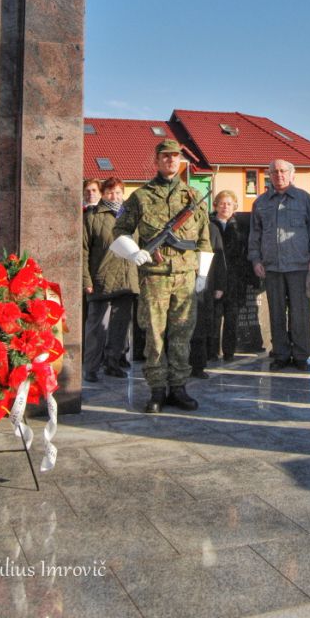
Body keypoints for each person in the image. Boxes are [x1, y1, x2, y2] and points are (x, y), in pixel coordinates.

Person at [111, 139, 211, 413]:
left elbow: (204, 240)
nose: (171, 160)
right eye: (165, 156)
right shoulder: (140, 197)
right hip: (154, 277)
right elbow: (119, 230)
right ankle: (156, 389)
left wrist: (202, 274)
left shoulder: (193, 197)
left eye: (175, 156)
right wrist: (134, 252)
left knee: (182, 334)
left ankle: (178, 387)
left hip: (185, 276)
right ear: (156, 161)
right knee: (155, 335)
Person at [248, 159, 310, 372]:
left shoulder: (305, 199)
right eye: (274, 172)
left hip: (299, 265)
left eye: (282, 171)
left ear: (291, 174)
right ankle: (280, 354)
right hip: (272, 266)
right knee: (277, 313)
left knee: (301, 313)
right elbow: (255, 234)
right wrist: (256, 259)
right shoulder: (261, 202)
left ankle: (301, 355)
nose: (279, 175)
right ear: (269, 175)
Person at [82, 177, 138, 381]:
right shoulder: (93, 216)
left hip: (127, 279)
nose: (114, 196)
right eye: (110, 192)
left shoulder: (131, 216)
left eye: (118, 192)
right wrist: (86, 280)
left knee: (119, 328)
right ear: (103, 194)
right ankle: (91, 367)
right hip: (101, 279)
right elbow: (83, 250)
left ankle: (113, 363)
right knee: (96, 328)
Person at [210, 190, 248, 362]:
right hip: (214, 277)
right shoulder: (209, 225)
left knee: (232, 317)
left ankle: (229, 352)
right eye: (222, 203)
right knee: (214, 317)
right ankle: (212, 352)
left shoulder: (240, 226)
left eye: (229, 204)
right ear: (215, 206)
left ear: (234, 206)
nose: (225, 207)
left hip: (235, 278)